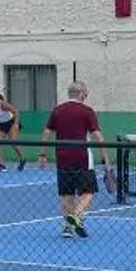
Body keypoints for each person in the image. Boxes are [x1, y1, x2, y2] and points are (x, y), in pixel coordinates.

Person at [45, 80, 102, 237]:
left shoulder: (57, 110)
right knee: (88, 191)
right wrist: (106, 158)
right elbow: (97, 135)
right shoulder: (87, 111)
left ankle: (68, 228)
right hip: (82, 157)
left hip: (62, 156)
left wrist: (42, 154)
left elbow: (47, 133)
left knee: (67, 193)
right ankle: (76, 216)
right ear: (83, 94)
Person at [0, 88, 27, 171]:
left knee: (14, 144)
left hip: (11, 123)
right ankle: (1, 165)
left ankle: (22, 159)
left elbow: (16, 111)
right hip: (1, 125)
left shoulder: (2, 104)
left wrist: (16, 124)